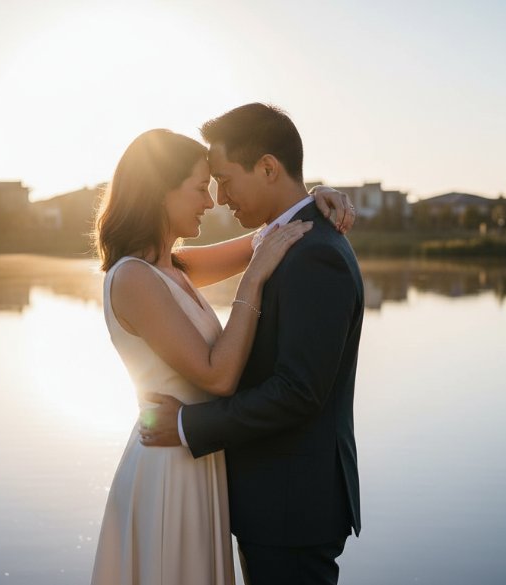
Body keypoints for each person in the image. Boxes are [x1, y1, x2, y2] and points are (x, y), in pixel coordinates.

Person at [90, 125, 356, 585]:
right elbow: (217, 378)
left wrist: (316, 196)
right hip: (168, 465)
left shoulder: (173, 267)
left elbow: (272, 235)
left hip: (199, 458)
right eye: (200, 189)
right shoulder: (134, 279)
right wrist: (252, 282)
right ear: (159, 194)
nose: (212, 201)